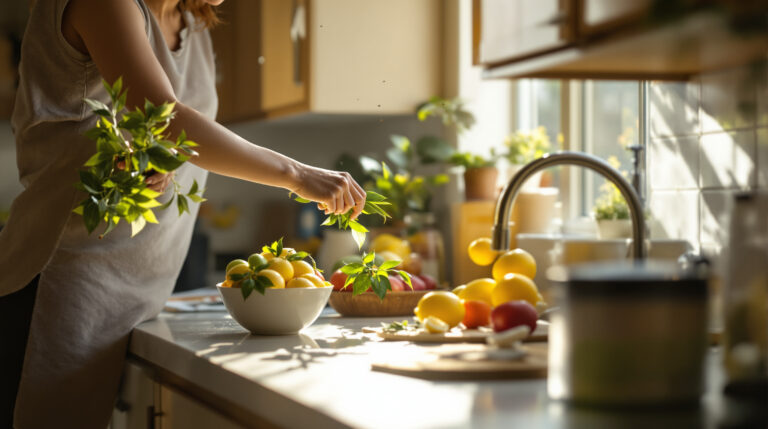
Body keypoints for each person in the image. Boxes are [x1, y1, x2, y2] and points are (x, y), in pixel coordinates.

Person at [0, 0, 367, 427]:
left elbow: (164, 139)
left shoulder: (192, 23)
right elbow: (168, 120)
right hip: (62, 289)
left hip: (145, 294)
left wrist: (154, 164)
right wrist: (296, 174)